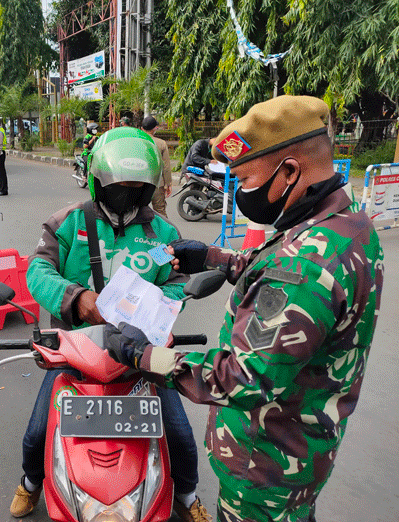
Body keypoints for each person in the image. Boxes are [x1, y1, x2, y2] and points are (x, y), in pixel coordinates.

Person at [103, 95, 384, 522]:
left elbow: (242, 378)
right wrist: (215, 257)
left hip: (263, 470)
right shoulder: (348, 224)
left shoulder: (303, 265)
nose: (241, 195)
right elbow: (281, 270)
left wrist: (144, 355)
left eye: (247, 181)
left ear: (290, 171)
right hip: (300, 452)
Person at [10, 126, 211, 522]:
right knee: (37, 433)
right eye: (119, 184)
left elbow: (175, 285)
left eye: (137, 186)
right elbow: (38, 270)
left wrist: (153, 309)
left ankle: (186, 495)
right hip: (76, 350)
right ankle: (31, 483)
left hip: (141, 353)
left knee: (180, 433)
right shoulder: (68, 222)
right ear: (96, 180)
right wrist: (77, 299)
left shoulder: (162, 231)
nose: (127, 193)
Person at [142, 115, 172, 217]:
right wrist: (168, 183)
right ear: (155, 128)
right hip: (157, 183)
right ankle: (163, 232)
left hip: (139, 182)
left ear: (142, 128)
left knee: (137, 211)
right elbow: (166, 166)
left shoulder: (137, 142)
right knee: (160, 211)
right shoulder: (161, 143)